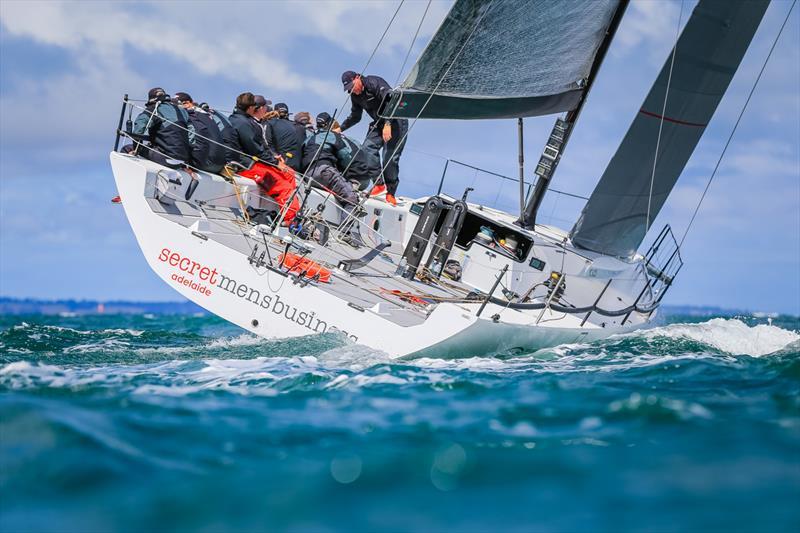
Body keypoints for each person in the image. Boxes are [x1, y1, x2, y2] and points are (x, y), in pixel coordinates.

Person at [228, 92, 299, 223]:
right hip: (244, 166)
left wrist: (276, 160)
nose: (267, 109)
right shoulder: (243, 123)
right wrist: (276, 163)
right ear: (253, 108)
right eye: (265, 106)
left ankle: (289, 211)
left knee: (289, 173)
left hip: (253, 163)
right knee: (283, 186)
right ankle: (291, 221)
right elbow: (256, 150)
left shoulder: (244, 120)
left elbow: (259, 149)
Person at [340, 70, 408, 206]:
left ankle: (390, 192)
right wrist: (340, 128)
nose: (352, 91)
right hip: (379, 123)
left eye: (352, 86)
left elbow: (392, 100)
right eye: (349, 89)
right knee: (366, 148)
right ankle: (379, 184)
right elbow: (355, 116)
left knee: (389, 158)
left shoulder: (374, 82)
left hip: (396, 121)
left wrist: (388, 123)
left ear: (357, 78)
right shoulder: (355, 96)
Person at [302, 112, 363, 248]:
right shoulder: (333, 136)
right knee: (351, 198)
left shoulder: (309, 138)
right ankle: (344, 233)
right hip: (325, 171)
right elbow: (346, 157)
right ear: (330, 124)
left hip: (307, 173)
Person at [132, 87, 192, 166]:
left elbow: (139, 128)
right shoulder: (183, 111)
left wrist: (136, 148)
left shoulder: (154, 108)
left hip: (166, 158)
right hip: (183, 160)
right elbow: (192, 136)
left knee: (126, 148)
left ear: (151, 100)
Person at [173, 92, 226, 173]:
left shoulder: (190, 115)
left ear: (187, 103)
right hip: (220, 165)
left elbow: (194, 139)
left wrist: (189, 164)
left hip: (205, 164)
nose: (176, 108)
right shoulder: (207, 115)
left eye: (177, 105)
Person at [332, 120, 380, 192]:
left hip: (353, 180)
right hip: (366, 181)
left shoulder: (335, 140)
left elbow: (346, 158)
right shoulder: (353, 140)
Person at [266, 103, 305, 172]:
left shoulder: (270, 123)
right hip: (299, 170)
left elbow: (267, 144)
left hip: (281, 166)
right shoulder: (301, 128)